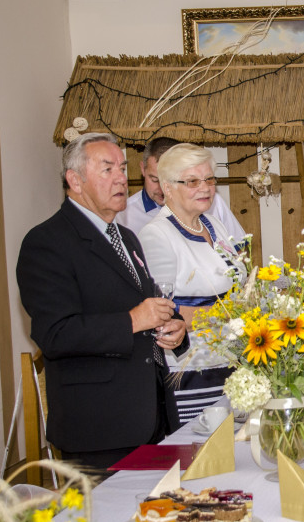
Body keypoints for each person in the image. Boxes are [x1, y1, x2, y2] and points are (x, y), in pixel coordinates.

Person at [16, 132, 189, 473]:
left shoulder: (126, 238)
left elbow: (147, 307)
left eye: (123, 169)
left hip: (150, 416)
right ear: (74, 180)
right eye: (107, 169)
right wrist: (132, 321)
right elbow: (55, 334)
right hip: (98, 427)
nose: (121, 178)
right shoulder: (47, 242)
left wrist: (175, 329)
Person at [138, 143, 249, 429]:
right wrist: (226, 314)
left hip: (233, 364)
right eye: (192, 181)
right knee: (202, 456)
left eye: (209, 179)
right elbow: (163, 313)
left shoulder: (213, 224)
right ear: (167, 187)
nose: (205, 187)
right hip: (192, 370)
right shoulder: (157, 235)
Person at [119, 136, 245, 240]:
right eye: (155, 180)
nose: (161, 188)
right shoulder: (125, 214)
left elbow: (239, 248)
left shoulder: (212, 204)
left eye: (207, 179)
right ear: (142, 169)